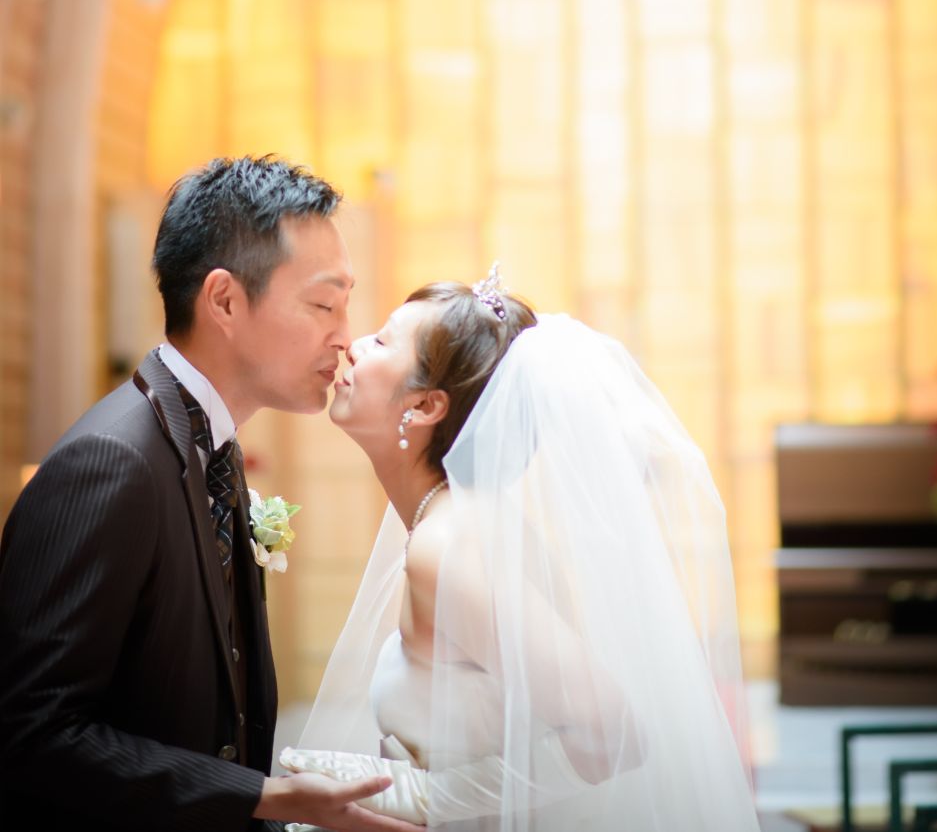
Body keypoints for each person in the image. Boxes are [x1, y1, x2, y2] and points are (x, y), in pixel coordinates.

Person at [0, 154, 409, 832]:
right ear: (224, 301)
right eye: (323, 304)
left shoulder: (212, 449)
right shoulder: (111, 461)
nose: (344, 336)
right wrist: (258, 796)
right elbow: (30, 731)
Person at [280, 265, 761, 830]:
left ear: (427, 406)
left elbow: (611, 733)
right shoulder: (456, 522)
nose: (354, 346)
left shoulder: (446, 546)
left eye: (383, 341)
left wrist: (426, 796)